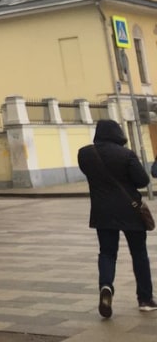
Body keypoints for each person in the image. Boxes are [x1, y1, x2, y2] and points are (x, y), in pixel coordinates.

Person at [78, 118, 157, 317]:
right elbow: (142, 180)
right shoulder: (126, 154)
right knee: (139, 254)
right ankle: (145, 299)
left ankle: (106, 286)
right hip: (131, 210)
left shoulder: (85, 154)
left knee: (107, 253)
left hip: (102, 212)